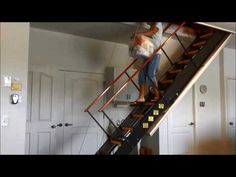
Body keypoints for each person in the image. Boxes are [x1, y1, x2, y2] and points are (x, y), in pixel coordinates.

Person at [132, 22, 163, 104]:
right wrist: (137, 37)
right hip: (149, 52)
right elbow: (149, 36)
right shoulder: (151, 26)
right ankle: (141, 97)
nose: (146, 22)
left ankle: (157, 95)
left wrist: (139, 34)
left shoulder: (158, 23)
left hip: (156, 53)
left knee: (150, 74)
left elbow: (152, 32)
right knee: (141, 72)